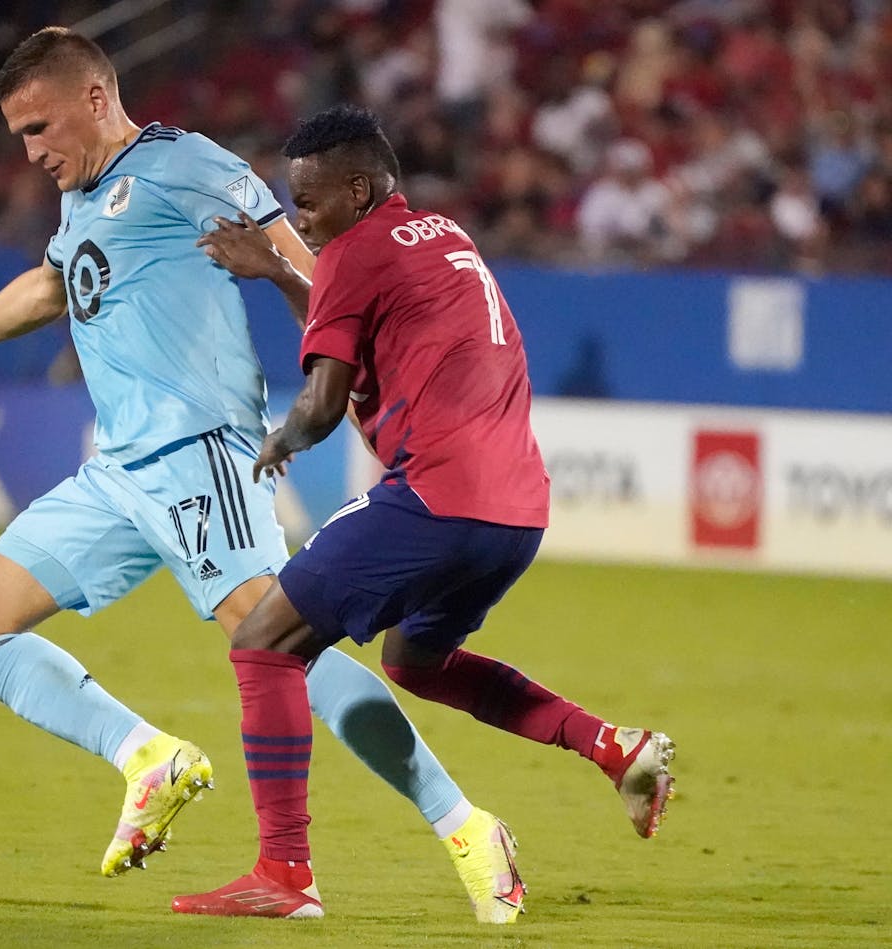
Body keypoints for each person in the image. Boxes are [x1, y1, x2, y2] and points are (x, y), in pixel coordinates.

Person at [0, 28, 512, 914]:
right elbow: (50, 285)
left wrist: (322, 340)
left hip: (201, 455)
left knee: (277, 643)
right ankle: (148, 757)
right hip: (117, 472)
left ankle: (464, 823)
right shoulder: (87, 196)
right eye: (19, 136)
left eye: (39, 128)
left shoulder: (186, 165)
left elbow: (311, 271)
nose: (31, 153)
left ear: (97, 100)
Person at [173, 105, 675, 921]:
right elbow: (363, 328)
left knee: (264, 641)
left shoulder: (351, 253)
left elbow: (324, 400)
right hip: (515, 511)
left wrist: (280, 439)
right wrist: (277, 271)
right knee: (416, 661)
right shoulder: (442, 235)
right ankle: (611, 746)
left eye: (309, 201)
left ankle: (284, 871)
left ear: (360, 188)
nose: (300, 217)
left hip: (436, 495)